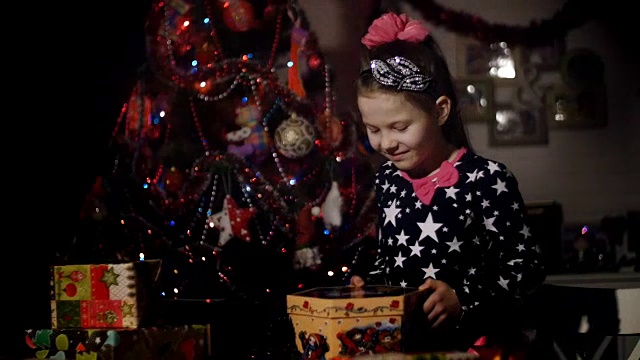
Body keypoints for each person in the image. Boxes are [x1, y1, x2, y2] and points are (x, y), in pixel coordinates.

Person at [349, 12, 546, 354]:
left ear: (440, 111)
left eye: (399, 127)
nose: (386, 144)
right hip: (406, 349)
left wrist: (461, 297)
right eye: (374, 129)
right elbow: (390, 260)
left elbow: (525, 267)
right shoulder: (387, 180)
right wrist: (369, 286)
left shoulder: (486, 179)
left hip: (477, 347)